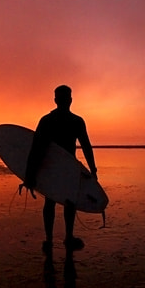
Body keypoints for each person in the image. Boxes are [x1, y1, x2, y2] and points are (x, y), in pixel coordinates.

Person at [23, 85, 97, 252]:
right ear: (69, 100)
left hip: (55, 169)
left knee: (53, 202)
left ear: (57, 100)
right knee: (66, 203)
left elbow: (36, 150)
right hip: (64, 169)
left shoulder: (48, 121)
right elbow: (86, 147)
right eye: (63, 98)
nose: (64, 100)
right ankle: (66, 237)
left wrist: (30, 174)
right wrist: (93, 170)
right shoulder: (74, 121)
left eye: (63, 98)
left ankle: (50, 240)